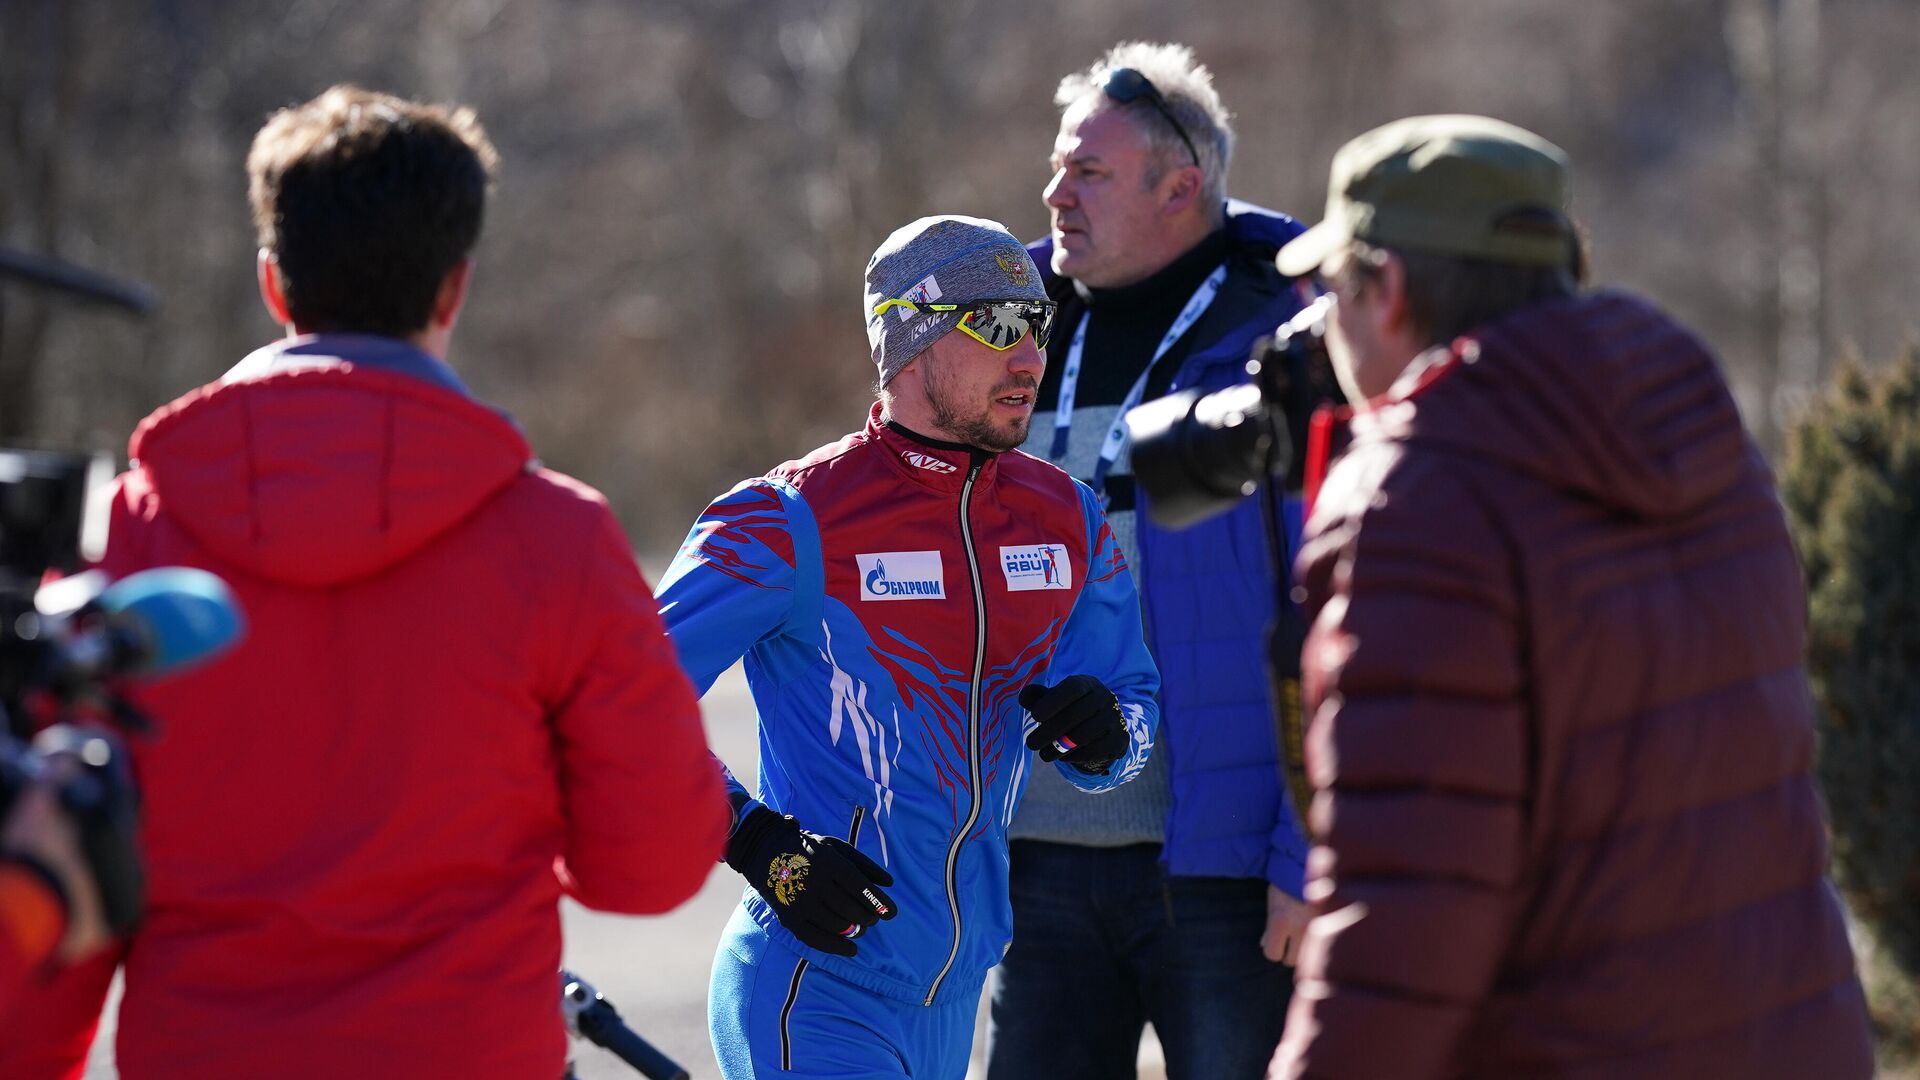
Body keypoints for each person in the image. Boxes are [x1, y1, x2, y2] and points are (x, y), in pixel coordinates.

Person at [0, 86, 727, 1079]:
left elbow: (50, 877)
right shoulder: (558, 537)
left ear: (274, 286)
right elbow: (651, 865)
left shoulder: (122, 531)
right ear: (453, 289)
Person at [1268, 114, 1874, 1078]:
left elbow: (1404, 918)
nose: (1318, 324)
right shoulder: (1697, 433)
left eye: (1331, 287)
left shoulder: (1416, 498)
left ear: (1387, 293)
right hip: (1786, 1034)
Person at [657, 215, 1160, 1080]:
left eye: (1039, 325)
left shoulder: (1067, 518)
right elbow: (612, 701)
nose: (1029, 358)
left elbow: (1133, 713)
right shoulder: (786, 518)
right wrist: (750, 839)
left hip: (953, 998)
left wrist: (1108, 739)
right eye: (998, 325)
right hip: (817, 985)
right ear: (910, 341)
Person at [989, 42, 1318, 1080]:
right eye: (1056, 166)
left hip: (1220, 877)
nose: (1054, 193)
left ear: (1182, 188)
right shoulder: (998, 329)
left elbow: (1346, 610)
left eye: (1087, 172)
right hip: (1031, 867)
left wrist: (1307, 856)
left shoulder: (1299, 336)